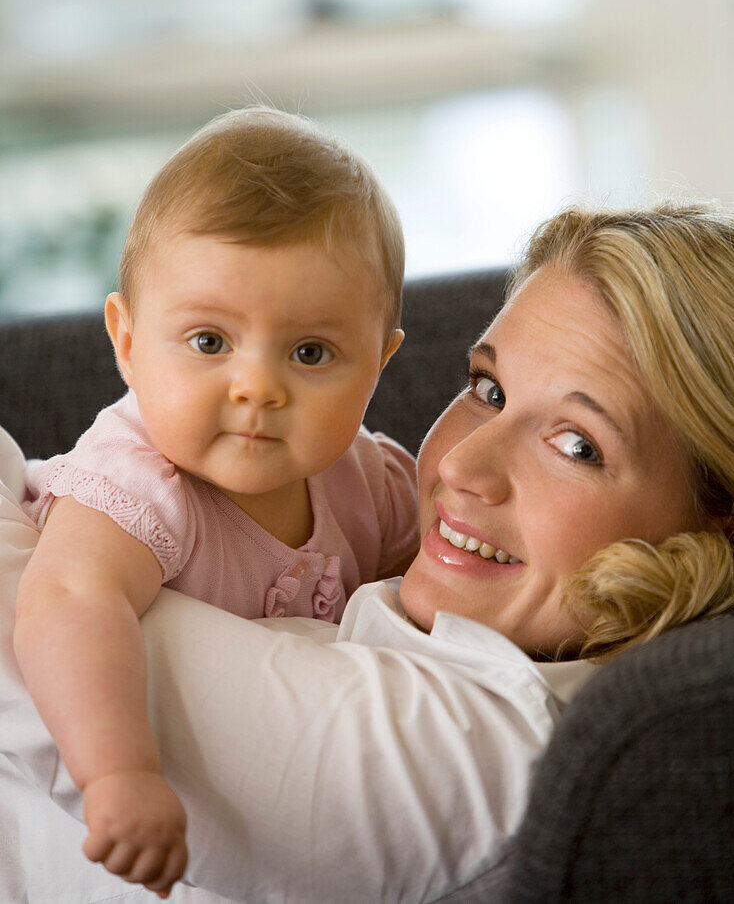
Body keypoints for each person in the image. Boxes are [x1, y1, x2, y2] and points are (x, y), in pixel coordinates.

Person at [2, 200, 732, 903]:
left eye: (577, 445)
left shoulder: (472, 744)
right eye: (488, 389)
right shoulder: (388, 527)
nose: (459, 468)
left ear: (716, 525)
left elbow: (32, 625)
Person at [12, 108, 419, 897]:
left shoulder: (369, 480)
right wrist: (119, 773)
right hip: (90, 809)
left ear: (378, 362)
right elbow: (67, 601)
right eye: (209, 341)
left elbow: (429, 590)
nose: (258, 386)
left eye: (310, 352)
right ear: (126, 342)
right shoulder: (139, 480)